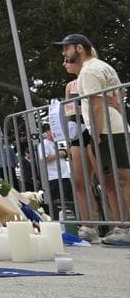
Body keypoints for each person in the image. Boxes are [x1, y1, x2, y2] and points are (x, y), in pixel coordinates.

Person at [60, 33, 130, 245]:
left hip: (108, 129)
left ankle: (125, 227)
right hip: (114, 127)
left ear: (79, 48)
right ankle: (121, 226)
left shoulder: (89, 71)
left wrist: (96, 132)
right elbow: (116, 97)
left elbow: (97, 104)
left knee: (122, 179)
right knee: (120, 179)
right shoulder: (103, 66)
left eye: (67, 48)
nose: (64, 53)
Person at [61, 53, 101, 243]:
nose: (65, 64)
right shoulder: (70, 86)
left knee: (105, 177)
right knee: (79, 181)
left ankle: (119, 222)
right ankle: (88, 225)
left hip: (95, 128)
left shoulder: (93, 77)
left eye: (68, 60)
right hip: (78, 130)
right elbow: (69, 110)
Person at [38, 123, 74, 222]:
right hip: (54, 177)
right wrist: (59, 154)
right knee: (58, 203)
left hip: (65, 175)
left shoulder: (58, 143)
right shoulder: (44, 144)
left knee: (68, 201)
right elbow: (44, 159)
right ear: (47, 131)